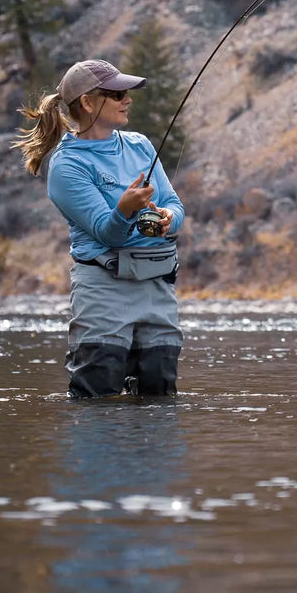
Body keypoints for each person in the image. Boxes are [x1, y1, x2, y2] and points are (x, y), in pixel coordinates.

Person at [14, 59, 186, 397]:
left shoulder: (140, 144)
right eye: (116, 93)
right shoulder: (67, 166)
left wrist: (167, 217)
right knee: (97, 393)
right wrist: (124, 209)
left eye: (126, 93)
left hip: (157, 286)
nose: (127, 99)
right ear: (88, 103)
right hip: (103, 291)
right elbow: (107, 234)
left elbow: (176, 205)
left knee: (160, 390)